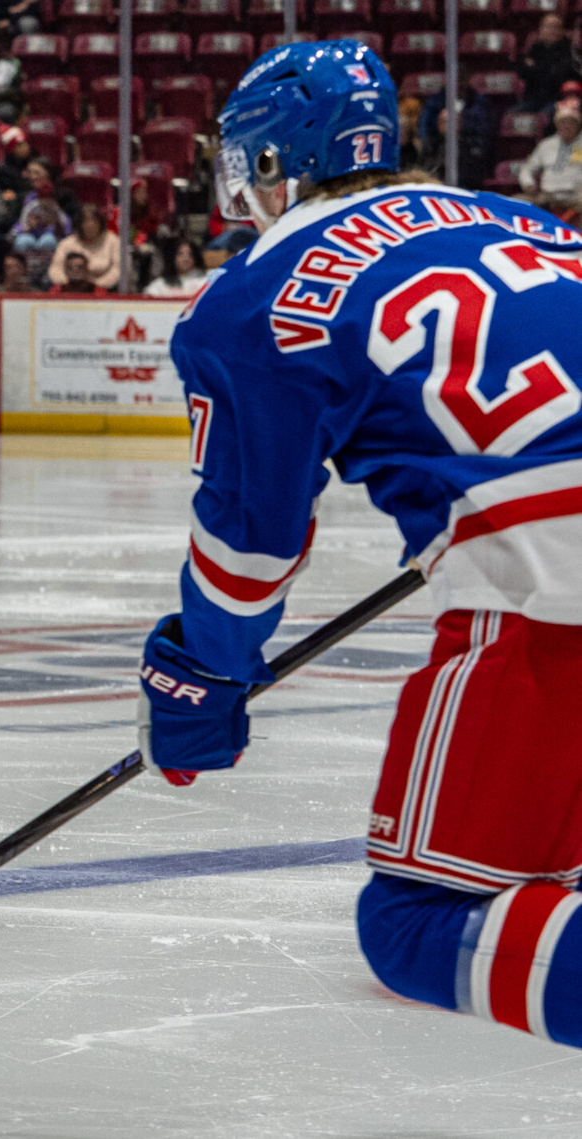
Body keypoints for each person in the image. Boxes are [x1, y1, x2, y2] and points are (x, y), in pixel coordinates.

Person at [146, 39, 582, 1051]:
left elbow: (250, 547)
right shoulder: (525, 219)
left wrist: (200, 674)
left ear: (269, 162)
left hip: (553, 580)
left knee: (420, 920)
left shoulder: (254, 294)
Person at [520, 101, 582, 210]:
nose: (566, 126)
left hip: (575, 196)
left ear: (577, 124)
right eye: (562, 122)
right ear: (557, 124)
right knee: (517, 202)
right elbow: (527, 169)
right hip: (547, 196)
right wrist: (528, 183)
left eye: (571, 122)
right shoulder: (546, 145)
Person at [519, 14, 581, 115]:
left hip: (558, 100)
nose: (552, 30)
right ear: (541, 29)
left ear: (562, 31)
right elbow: (523, 73)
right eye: (548, 26)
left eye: (556, 27)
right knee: (512, 115)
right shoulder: (535, 49)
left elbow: (556, 77)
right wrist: (543, 70)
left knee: (544, 116)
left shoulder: (569, 51)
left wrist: (535, 68)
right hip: (534, 100)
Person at [48, 202, 119, 289]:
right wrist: (70, 284)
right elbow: (55, 270)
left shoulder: (113, 241)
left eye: (94, 221)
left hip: (105, 291)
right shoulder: (67, 244)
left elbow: (118, 270)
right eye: (85, 221)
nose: (90, 225)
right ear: (79, 224)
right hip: (72, 292)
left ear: (100, 223)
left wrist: (95, 286)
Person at [142, 235, 207, 298]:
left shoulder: (204, 281)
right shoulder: (161, 284)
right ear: (173, 257)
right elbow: (146, 299)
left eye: (190, 254)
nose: (186, 259)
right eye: (180, 254)